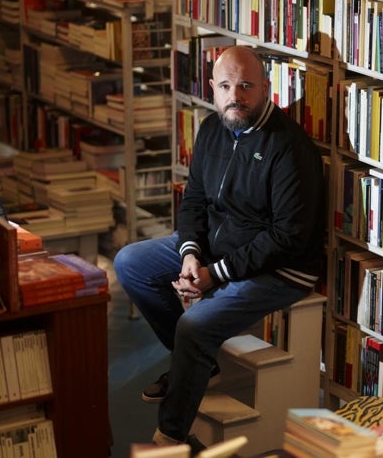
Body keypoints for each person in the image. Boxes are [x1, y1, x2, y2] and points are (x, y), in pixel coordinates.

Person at [113, 45, 326, 451]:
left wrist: (214, 274)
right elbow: (194, 200)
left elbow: (287, 237)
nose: (235, 96)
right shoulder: (212, 129)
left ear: (266, 87)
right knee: (131, 262)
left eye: (246, 86)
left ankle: (170, 438)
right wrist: (191, 255)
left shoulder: (290, 147)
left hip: (279, 269)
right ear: (211, 87)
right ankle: (198, 365)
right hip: (214, 249)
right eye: (226, 86)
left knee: (193, 326)